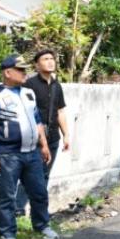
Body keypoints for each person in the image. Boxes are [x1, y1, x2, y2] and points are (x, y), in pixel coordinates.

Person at [0, 54, 58, 239]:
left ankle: (42, 225)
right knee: (7, 196)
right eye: (21, 70)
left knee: (39, 192)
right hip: (7, 155)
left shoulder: (28, 93)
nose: (25, 73)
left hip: (32, 154)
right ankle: (7, 235)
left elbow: (37, 121)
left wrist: (44, 145)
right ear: (8, 72)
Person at [16, 49, 69, 217]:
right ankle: (18, 208)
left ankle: (38, 209)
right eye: (45, 59)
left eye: (52, 59)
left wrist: (66, 134)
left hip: (53, 136)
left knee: (45, 174)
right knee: (31, 174)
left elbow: (60, 111)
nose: (50, 61)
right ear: (37, 65)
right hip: (35, 138)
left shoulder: (56, 85)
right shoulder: (29, 85)